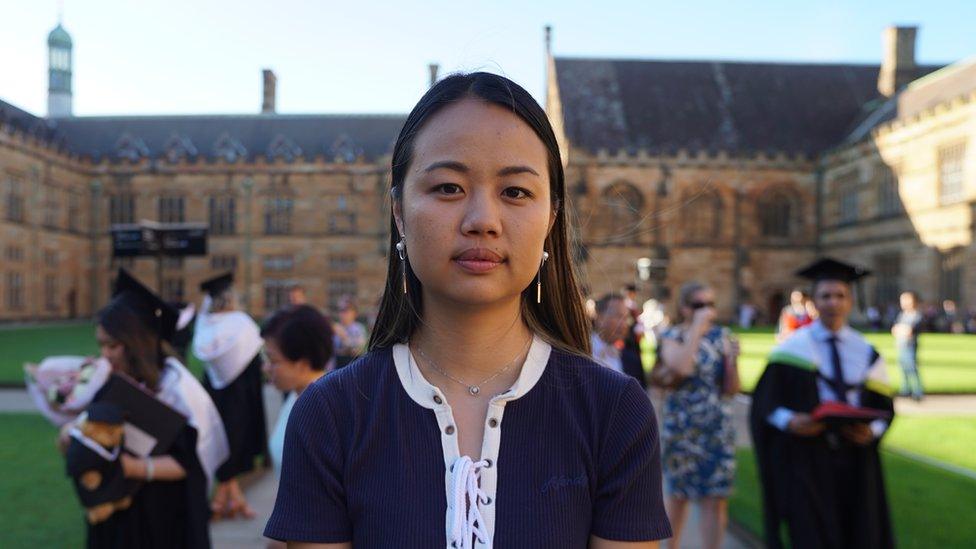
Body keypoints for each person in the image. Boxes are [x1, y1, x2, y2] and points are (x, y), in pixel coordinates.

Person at [265, 72, 671, 548]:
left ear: (551, 218)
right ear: (398, 211)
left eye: (515, 192)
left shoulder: (612, 413)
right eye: (448, 188)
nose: (483, 220)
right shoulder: (331, 415)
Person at [70, 268, 229, 548]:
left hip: (163, 515)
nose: (105, 354)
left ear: (136, 343)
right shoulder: (111, 381)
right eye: (101, 345)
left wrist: (133, 468)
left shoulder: (175, 389)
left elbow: (187, 464)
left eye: (113, 345)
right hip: (116, 516)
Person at [749, 258, 896, 549]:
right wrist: (791, 421)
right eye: (825, 296)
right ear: (813, 301)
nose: (833, 303)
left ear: (850, 301)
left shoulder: (866, 352)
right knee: (811, 535)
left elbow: (885, 409)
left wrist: (873, 432)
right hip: (808, 458)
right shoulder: (792, 349)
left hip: (856, 458)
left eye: (840, 296)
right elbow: (765, 404)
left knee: (860, 532)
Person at [655, 282, 740, 549]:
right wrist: (696, 331)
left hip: (716, 427)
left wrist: (733, 362)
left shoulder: (722, 336)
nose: (706, 310)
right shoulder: (672, 335)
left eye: (710, 305)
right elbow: (681, 366)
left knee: (715, 499)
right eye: (698, 305)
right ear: (684, 308)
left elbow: (731, 388)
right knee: (678, 496)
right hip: (682, 426)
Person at [192, 272, 268, 519]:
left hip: (213, 394)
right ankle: (230, 501)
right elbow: (255, 362)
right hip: (241, 395)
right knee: (234, 443)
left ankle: (225, 501)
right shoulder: (242, 322)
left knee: (220, 441)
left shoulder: (204, 324)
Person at [261, 305, 335, 478]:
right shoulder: (298, 395)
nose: (266, 367)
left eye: (272, 360)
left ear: (302, 363)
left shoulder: (322, 411)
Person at [591, 293, 648, 389]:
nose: (624, 324)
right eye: (618, 316)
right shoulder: (579, 350)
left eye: (626, 318)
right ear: (599, 317)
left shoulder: (631, 359)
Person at [892, 291, 924, 401]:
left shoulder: (917, 315)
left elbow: (909, 331)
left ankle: (918, 391)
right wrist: (903, 330)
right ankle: (905, 390)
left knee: (912, 368)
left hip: (910, 346)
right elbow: (894, 330)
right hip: (901, 345)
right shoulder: (902, 315)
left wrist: (902, 330)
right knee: (903, 368)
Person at [332, 296, 367, 369]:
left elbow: (359, 350)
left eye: (346, 310)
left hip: (352, 368)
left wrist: (344, 337)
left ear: (355, 313)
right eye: (340, 310)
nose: (342, 313)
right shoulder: (335, 328)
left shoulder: (359, 329)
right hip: (336, 368)